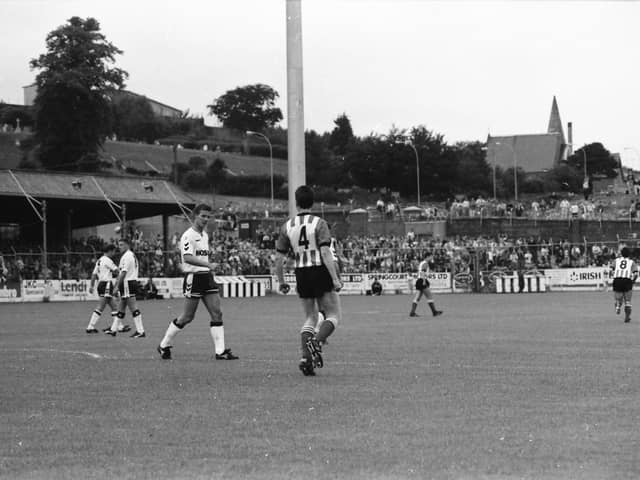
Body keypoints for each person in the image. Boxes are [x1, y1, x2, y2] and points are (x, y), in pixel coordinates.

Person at [275, 185, 342, 376]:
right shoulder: (319, 223)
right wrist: (335, 278)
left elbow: (279, 258)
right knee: (333, 315)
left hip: (301, 273)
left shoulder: (287, 226)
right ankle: (316, 342)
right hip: (319, 270)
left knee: (311, 318)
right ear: (312, 202)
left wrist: (281, 282)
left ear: (296, 203)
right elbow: (325, 252)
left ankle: (306, 358)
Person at [157, 203, 238, 360]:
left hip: (206, 277)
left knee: (217, 313)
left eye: (208, 216)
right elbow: (187, 257)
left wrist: (209, 266)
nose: (206, 219)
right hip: (194, 278)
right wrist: (208, 264)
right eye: (203, 216)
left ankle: (220, 352)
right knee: (187, 317)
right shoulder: (188, 235)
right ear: (195, 216)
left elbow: (201, 256)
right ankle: (163, 345)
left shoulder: (205, 235)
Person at [106, 237, 146, 337]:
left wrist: (116, 287)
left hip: (128, 283)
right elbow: (121, 273)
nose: (119, 247)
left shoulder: (127, 256)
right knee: (121, 308)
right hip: (127, 283)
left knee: (133, 307)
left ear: (127, 245)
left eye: (121, 245)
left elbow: (123, 273)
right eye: (119, 245)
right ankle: (113, 329)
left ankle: (141, 331)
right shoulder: (128, 255)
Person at [86, 244, 124, 333]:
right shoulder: (107, 260)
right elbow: (117, 271)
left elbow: (94, 274)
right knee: (101, 306)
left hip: (101, 284)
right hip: (106, 284)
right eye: (114, 251)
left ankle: (119, 326)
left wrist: (91, 286)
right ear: (110, 251)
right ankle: (90, 327)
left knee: (114, 306)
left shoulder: (99, 260)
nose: (114, 253)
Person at [611, 247, 639, 323]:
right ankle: (627, 317)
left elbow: (611, 270)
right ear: (629, 254)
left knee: (618, 298)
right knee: (628, 301)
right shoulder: (632, 262)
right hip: (627, 280)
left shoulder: (616, 260)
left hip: (617, 280)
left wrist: (614, 276)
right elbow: (636, 274)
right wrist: (632, 281)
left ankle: (617, 305)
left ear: (621, 253)